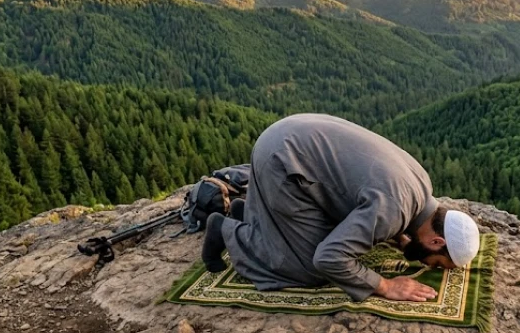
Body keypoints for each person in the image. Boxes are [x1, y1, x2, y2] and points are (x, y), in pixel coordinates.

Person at [201, 113, 480, 302]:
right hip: (281, 162)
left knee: (331, 236)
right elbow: (328, 258)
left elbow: (372, 194)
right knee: (308, 269)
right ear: (436, 240)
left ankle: (247, 212)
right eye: (439, 262)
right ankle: (225, 230)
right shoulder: (393, 210)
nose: (430, 265)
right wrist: (385, 286)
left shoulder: (421, 186)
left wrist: (399, 236)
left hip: (291, 134)